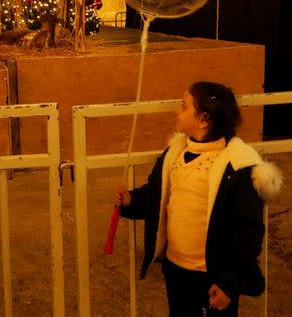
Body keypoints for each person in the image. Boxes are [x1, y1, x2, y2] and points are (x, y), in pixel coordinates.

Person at [114, 82, 282, 316]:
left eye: (183, 106)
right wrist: (132, 201)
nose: (176, 111)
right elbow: (158, 194)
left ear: (203, 119)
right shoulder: (175, 153)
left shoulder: (237, 166)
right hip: (175, 269)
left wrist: (228, 284)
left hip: (213, 277)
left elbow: (247, 232)